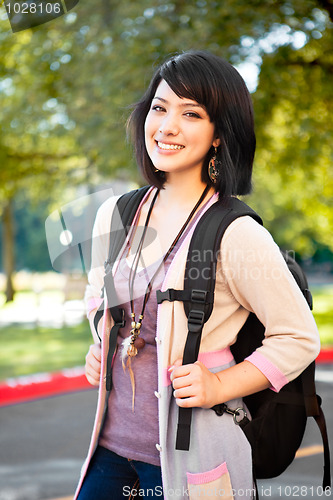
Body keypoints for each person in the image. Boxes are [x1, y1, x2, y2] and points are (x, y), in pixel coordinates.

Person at [74, 50, 320, 500]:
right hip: (109, 452)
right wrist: (100, 342)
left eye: (191, 113)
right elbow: (97, 296)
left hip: (194, 458)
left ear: (218, 135)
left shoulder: (236, 232)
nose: (167, 126)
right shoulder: (117, 213)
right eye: (159, 107)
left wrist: (221, 385)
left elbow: (299, 338)